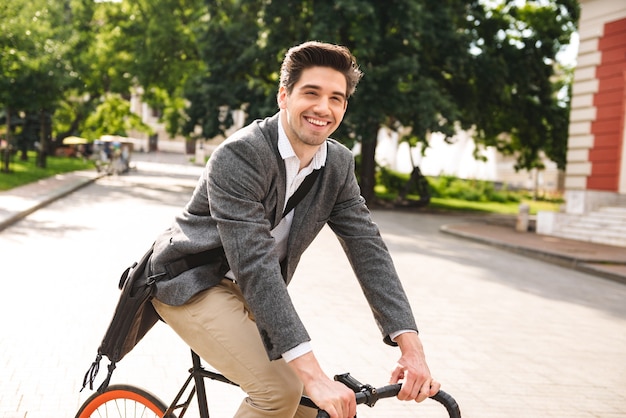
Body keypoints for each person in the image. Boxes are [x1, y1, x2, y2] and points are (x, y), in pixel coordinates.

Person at [149, 41, 440, 418]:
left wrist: (412, 349)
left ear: (345, 107)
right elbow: (256, 265)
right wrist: (314, 375)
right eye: (311, 93)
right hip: (190, 282)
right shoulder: (240, 155)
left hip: (248, 293)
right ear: (284, 96)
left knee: (310, 407)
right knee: (280, 392)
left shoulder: (337, 164)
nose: (323, 108)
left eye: (336, 98)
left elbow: (370, 250)